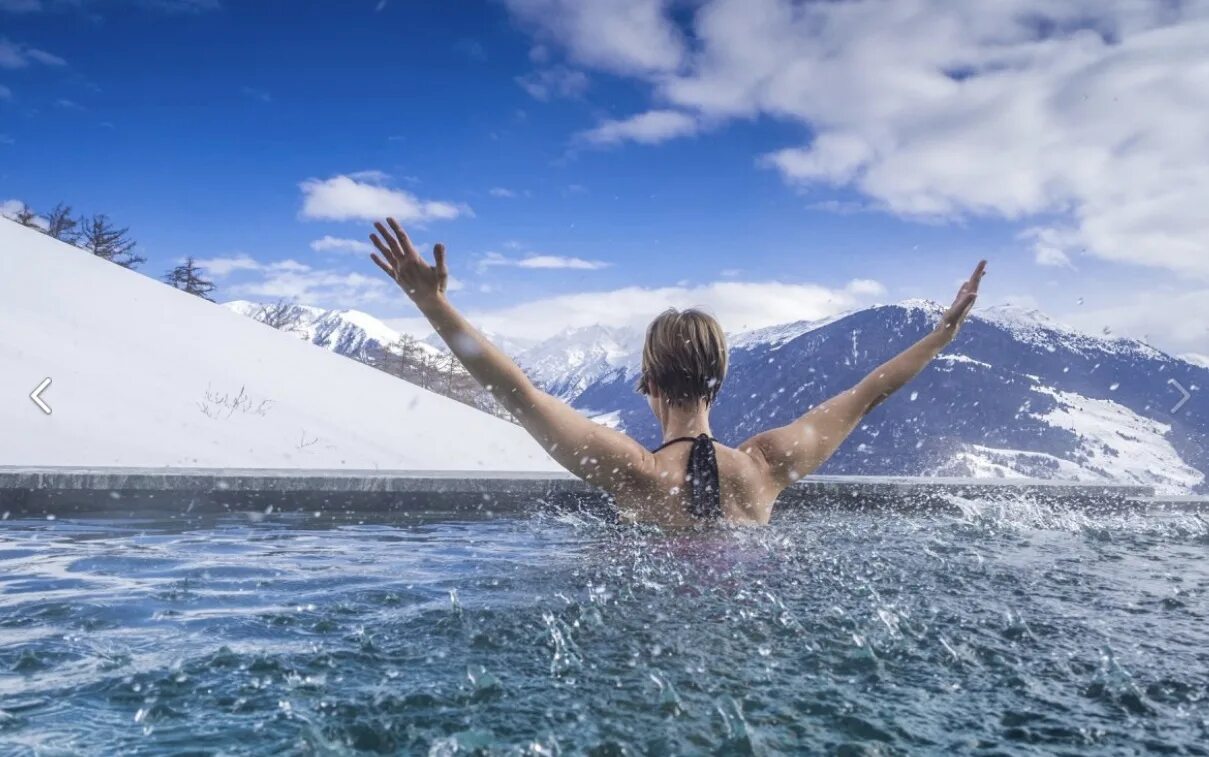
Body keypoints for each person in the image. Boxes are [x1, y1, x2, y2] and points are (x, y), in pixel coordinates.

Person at [370, 218, 986, 527]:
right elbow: (867, 393)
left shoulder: (632, 471)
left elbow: (518, 392)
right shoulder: (767, 465)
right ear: (718, 379)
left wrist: (432, 302)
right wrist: (944, 332)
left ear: (650, 386)